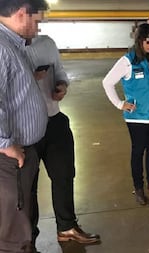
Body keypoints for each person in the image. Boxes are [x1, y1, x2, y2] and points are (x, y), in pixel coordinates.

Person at [25, 35, 100, 245]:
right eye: (32, 15)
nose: (37, 22)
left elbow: (59, 69)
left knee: (64, 175)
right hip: (23, 127)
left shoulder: (46, 43)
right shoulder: (6, 46)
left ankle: (67, 227)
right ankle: (27, 239)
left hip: (53, 119)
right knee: (27, 186)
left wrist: (61, 84)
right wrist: (29, 78)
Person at [103, 23, 149, 205]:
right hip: (137, 118)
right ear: (140, 40)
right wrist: (120, 103)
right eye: (148, 41)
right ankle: (138, 187)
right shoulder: (128, 61)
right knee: (138, 151)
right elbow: (107, 82)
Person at [0, 0, 49, 252]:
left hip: (23, 152)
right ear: (21, 14)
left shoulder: (14, 46)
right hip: (10, 159)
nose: (37, 28)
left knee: (23, 219)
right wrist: (5, 145)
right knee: (12, 230)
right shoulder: (1, 47)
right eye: (37, 21)